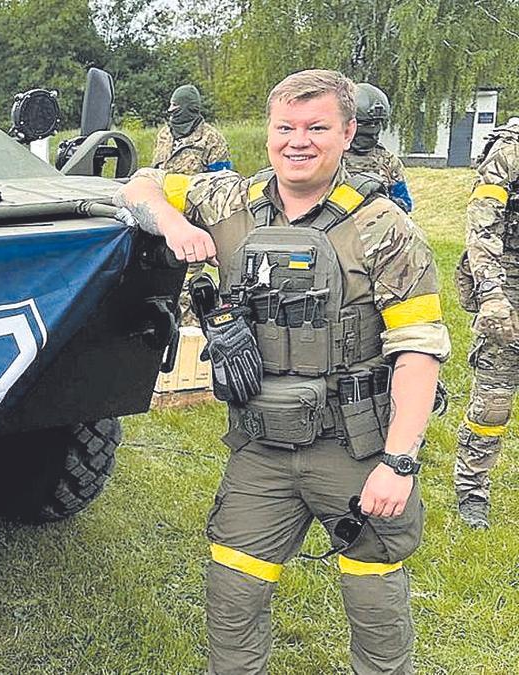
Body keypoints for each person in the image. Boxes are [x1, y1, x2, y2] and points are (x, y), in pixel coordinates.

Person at [115, 69, 448, 673]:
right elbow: (138, 185)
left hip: (355, 448)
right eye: (285, 127)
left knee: (374, 600)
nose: (299, 141)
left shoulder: (384, 229)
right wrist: (173, 222)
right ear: (268, 134)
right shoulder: (228, 200)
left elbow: (418, 351)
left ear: (347, 133)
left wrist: (399, 463)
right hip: (260, 448)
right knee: (233, 596)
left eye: (317, 127)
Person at [453, 117, 519, 529]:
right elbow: (482, 228)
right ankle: (472, 489)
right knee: (492, 402)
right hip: (509, 284)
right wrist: (493, 295)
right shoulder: (510, 152)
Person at [152, 85, 233, 328]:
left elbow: (222, 187)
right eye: (171, 107)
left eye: (177, 107)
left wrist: (214, 233)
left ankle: (191, 339)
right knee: (160, 287)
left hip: (192, 226)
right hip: (162, 224)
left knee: (186, 289)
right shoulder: (164, 135)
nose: (172, 112)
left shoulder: (211, 139)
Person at [344, 82, 414, 212]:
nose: (371, 129)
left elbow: (404, 202)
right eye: (366, 124)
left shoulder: (388, 160)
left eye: (376, 123)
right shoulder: (331, 155)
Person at [151, 84, 232, 175]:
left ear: (190, 107)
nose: (170, 110)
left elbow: (222, 180)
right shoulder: (164, 134)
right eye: (171, 105)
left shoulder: (213, 139)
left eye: (175, 105)